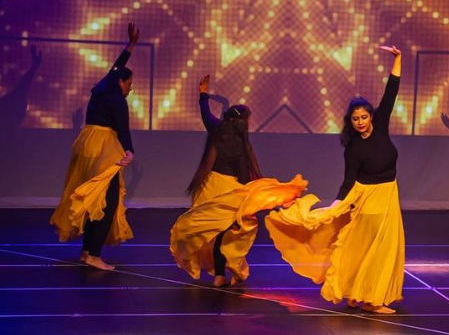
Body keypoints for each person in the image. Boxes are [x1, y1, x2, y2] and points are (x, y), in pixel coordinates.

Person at [265, 46, 404, 314]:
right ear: (350, 121)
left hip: (389, 194)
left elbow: (391, 91)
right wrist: (337, 204)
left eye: (364, 117)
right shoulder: (353, 148)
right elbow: (348, 180)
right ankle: (371, 300)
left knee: (374, 248)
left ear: (371, 117)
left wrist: (398, 59)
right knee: (375, 249)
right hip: (368, 199)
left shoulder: (381, 126)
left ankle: (356, 293)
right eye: (355, 119)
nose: (360, 122)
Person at [170, 76, 306, 286]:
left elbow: (206, 114)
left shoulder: (217, 130)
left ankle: (218, 273)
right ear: (243, 123)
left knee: (211, 231)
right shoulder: (241, 146)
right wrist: (253, 199)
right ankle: (220, 274)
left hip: (208, 187)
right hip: (228, 191)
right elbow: (243, 179)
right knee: (227, 235)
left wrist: (203, 93)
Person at [50, 23, 139, 271]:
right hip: (103, 147)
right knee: (107, 201)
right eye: (129, 84)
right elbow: (123, 129)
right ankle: (94, 255)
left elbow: (115, 68)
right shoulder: (118, 100)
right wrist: (130, 151)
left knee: (93, 197)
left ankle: (86, 251)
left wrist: (130, 46)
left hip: (86, 143)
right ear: (121, 82)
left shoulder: (100, 90)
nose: (130, 88)